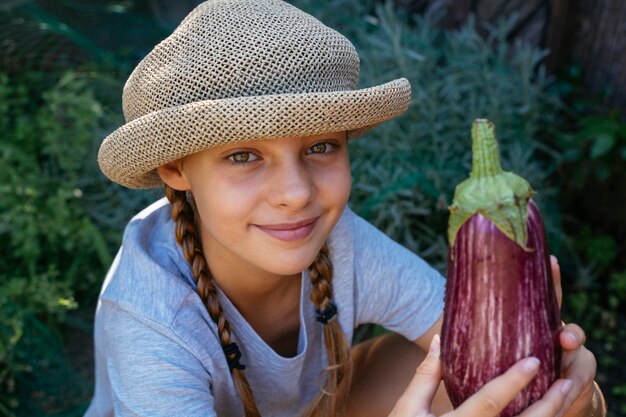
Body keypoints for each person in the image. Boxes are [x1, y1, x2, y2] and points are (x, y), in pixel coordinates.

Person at [86, 0, 603, 416]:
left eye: (320, 147)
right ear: (175, 171)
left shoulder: (342, 242)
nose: (296, 193)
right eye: (243, 155)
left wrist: (564, 387)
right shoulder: (147, 320)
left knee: (476, 372)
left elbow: (470, 344)